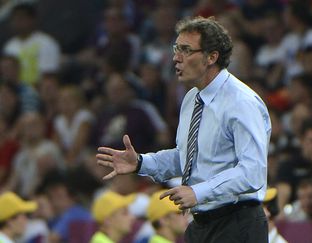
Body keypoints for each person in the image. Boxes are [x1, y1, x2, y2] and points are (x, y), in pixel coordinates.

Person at [97, 16, 271, 243]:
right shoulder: (191, 99)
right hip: (199, 224)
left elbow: (252, 171)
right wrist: (140, 163)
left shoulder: (242, 102)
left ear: (211, 57)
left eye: (186, 50)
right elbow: (186, 158)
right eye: (176, 48)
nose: (176, 58)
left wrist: (198, 192)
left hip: (238, 224)